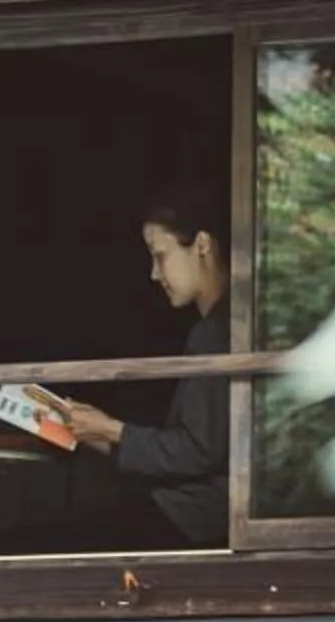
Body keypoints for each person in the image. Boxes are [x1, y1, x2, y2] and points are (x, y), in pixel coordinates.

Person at [59, 192, 232, 549]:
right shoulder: (219, 327)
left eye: (160, 256)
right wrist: (101, 434)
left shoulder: (216, 332)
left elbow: (199, 451)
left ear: (201, 245)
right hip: (188, 512)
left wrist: (112, 429)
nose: (154, 274)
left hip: (195, 519)